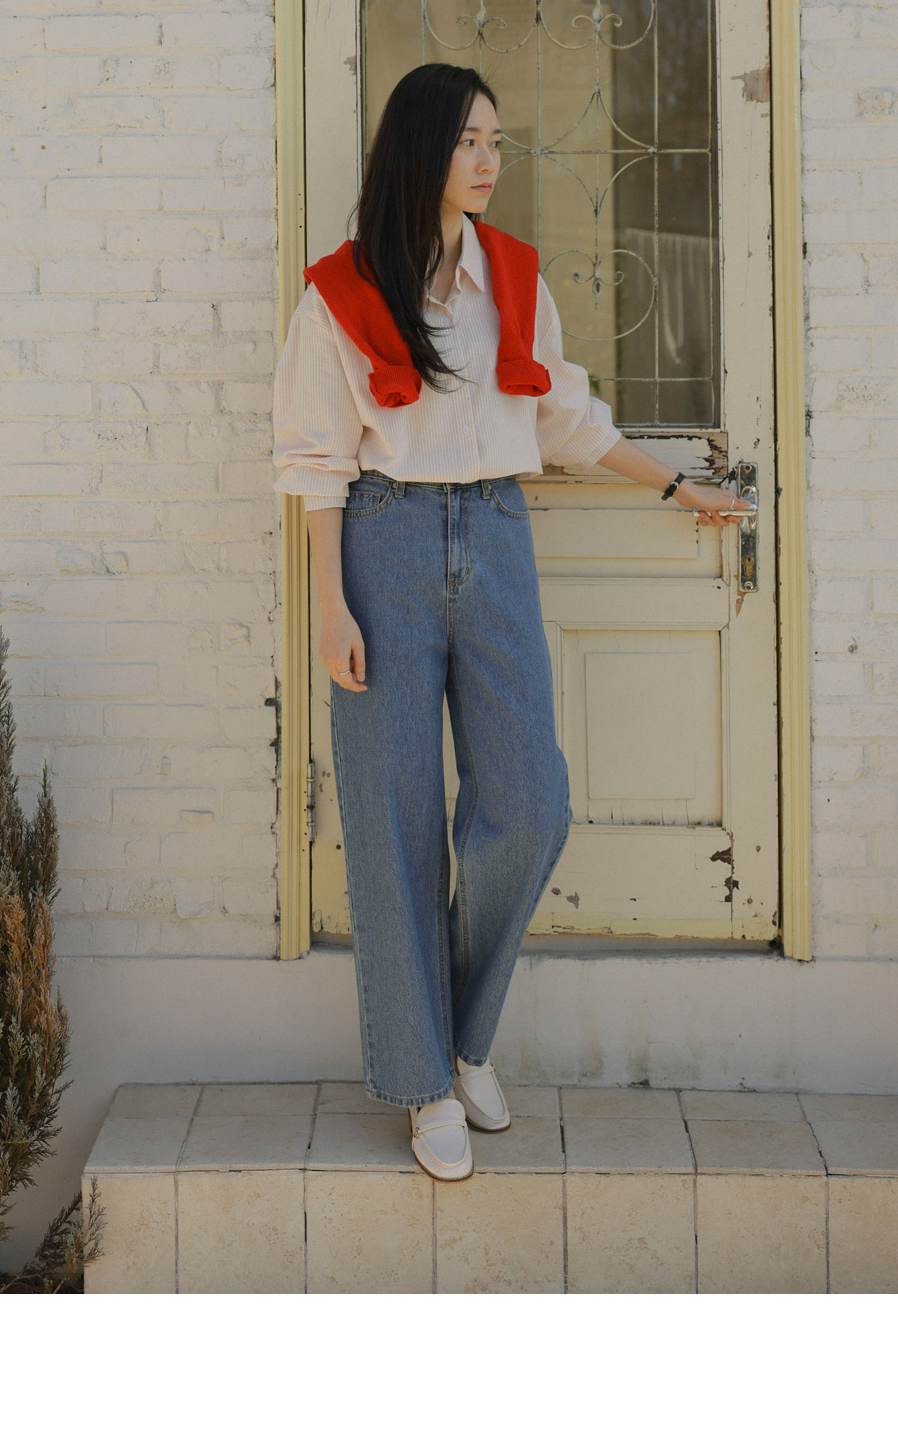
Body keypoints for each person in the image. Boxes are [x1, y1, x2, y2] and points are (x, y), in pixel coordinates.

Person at [272, 63, 754, 1183]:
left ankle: (463, 1036)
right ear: (422, 150)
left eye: (497, 141)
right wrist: (330, 604)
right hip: (382, 543)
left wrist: (673, 484)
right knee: (393, 820)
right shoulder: (341, 291)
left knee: (531, 803)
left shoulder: (514, 277)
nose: (490, 160)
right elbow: (312, 460)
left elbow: (564, 418)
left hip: (494, 534)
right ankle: (421, 1085)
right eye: (470, 141)